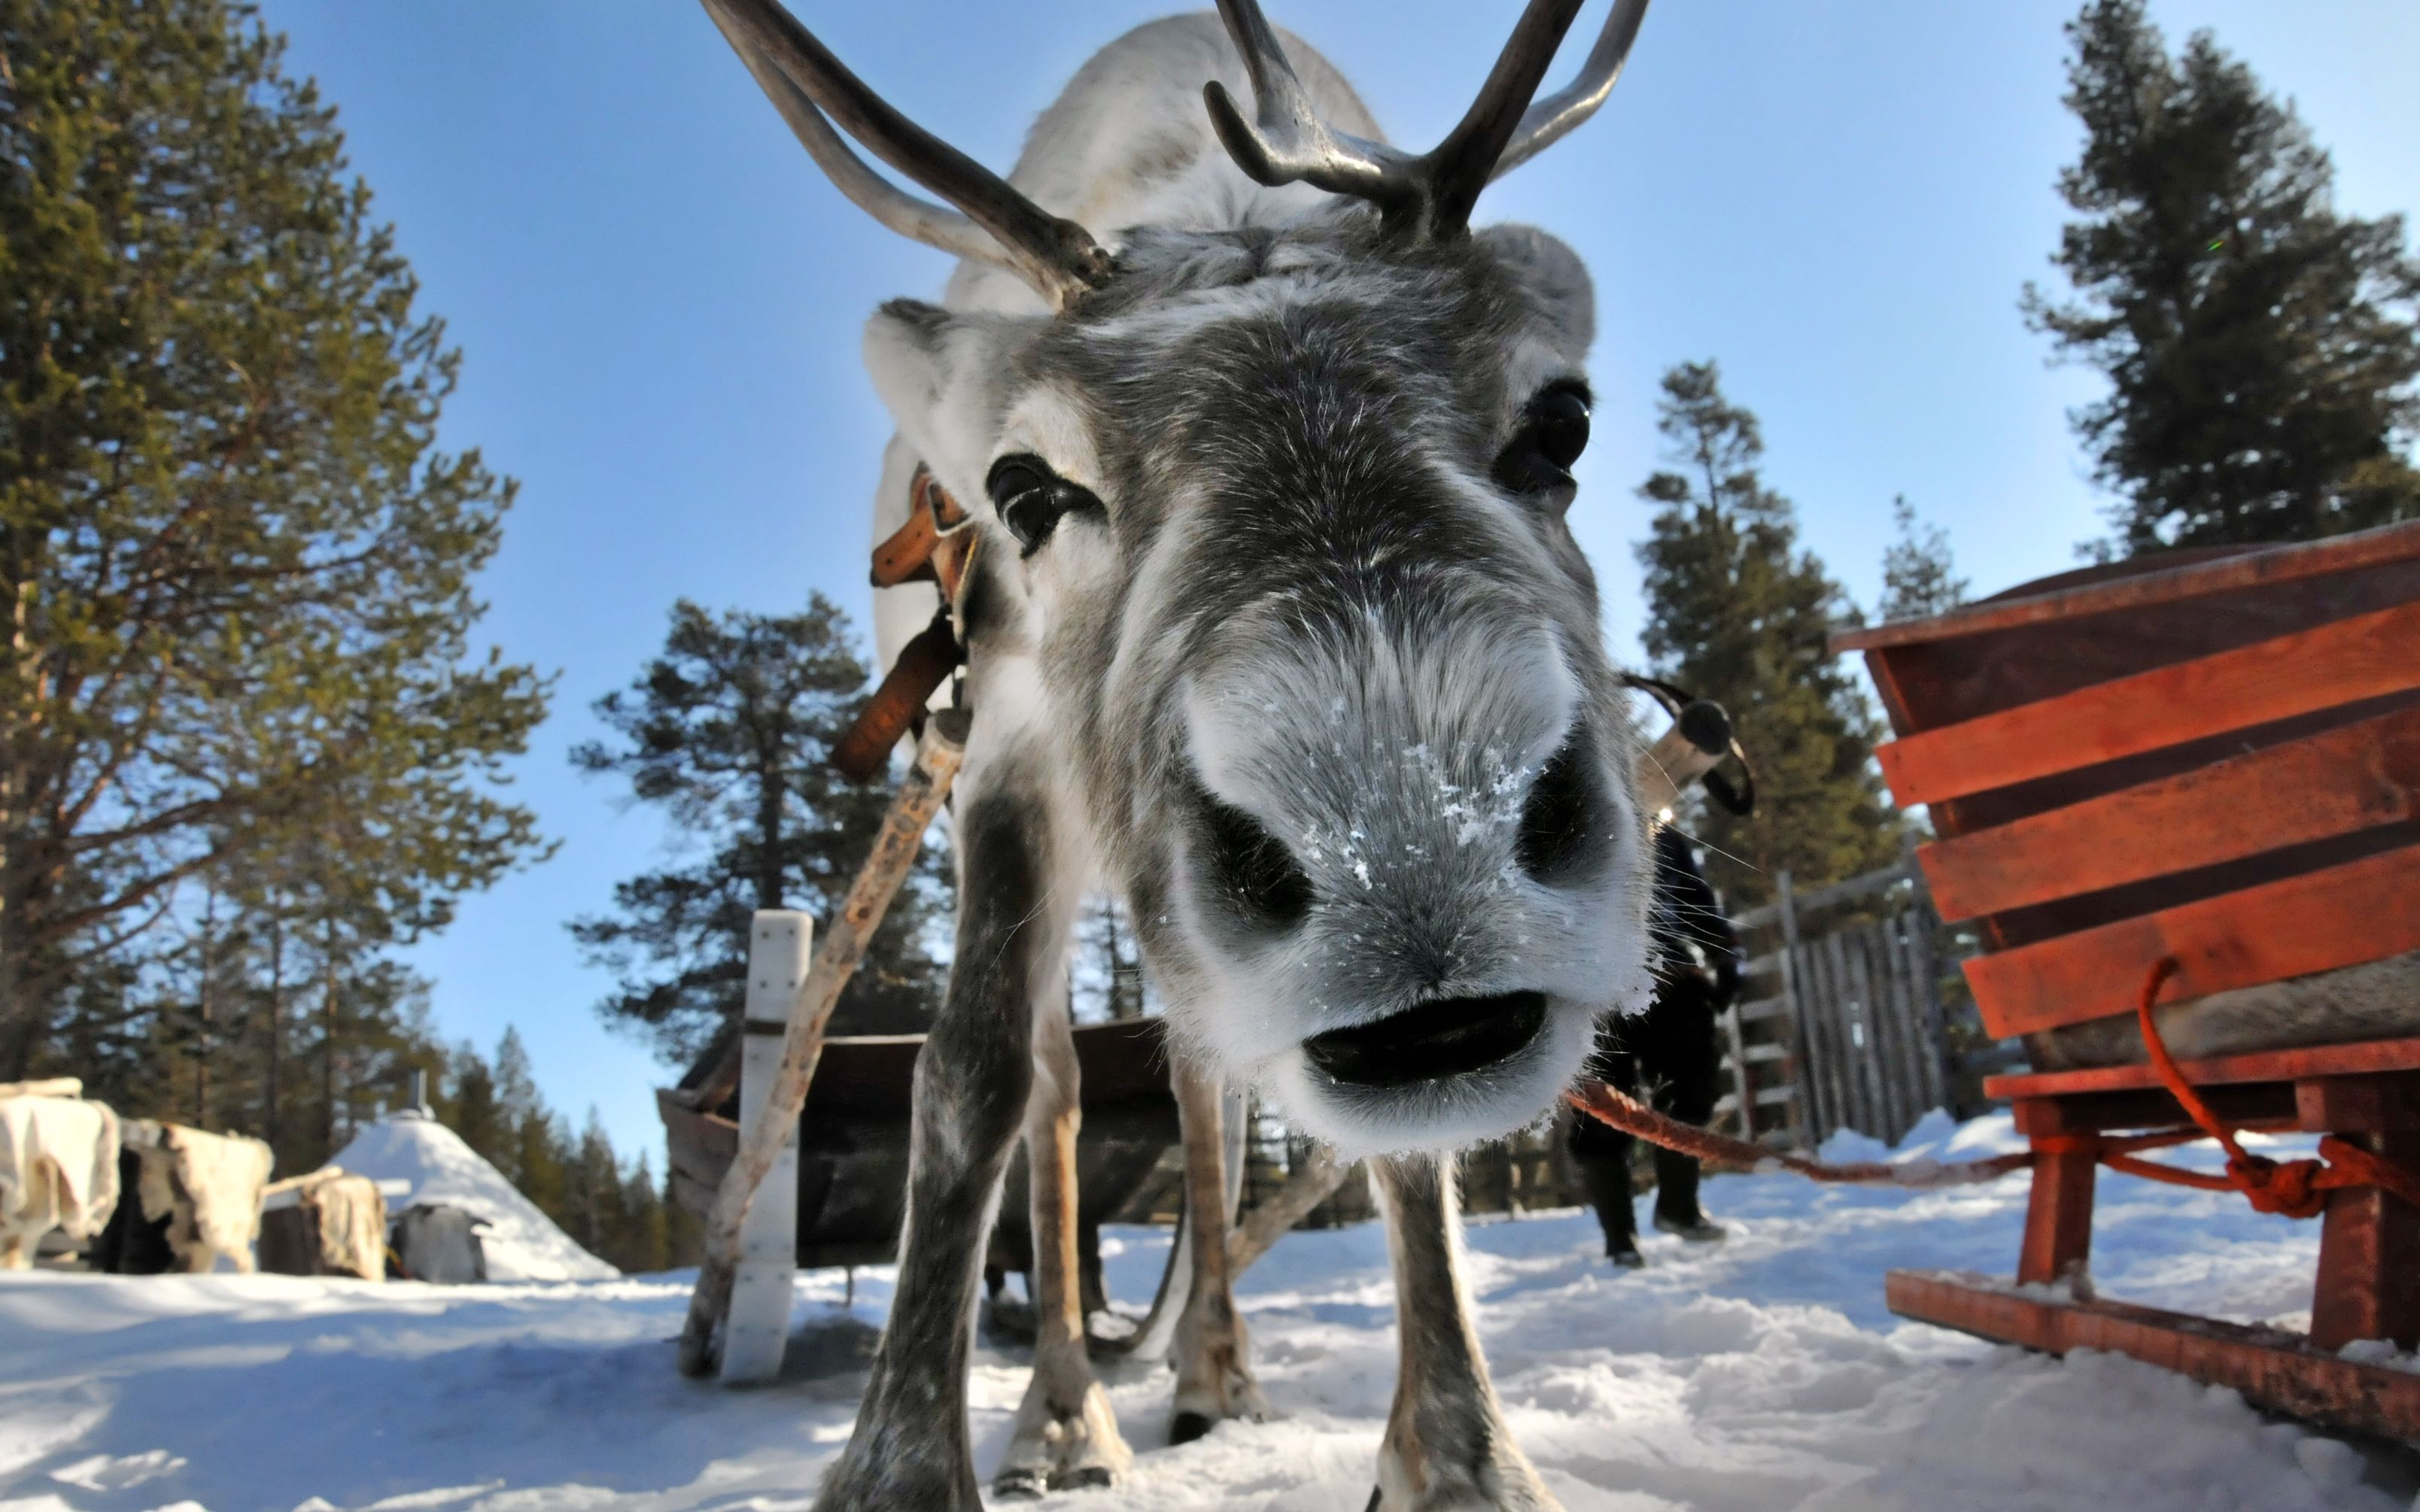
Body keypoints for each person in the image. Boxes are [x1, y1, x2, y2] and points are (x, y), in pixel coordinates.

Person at [1567, 824, 1739, 1267]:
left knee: (1691, 1089)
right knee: (1600, 1113)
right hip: (1593, 991)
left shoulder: (1662, 833)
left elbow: (1696, 901)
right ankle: (1620, 1241)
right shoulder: (1556, 816)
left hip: (1670, 979)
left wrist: (1723, 955)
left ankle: (1679, 1206)